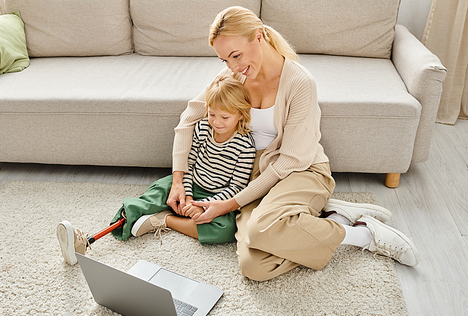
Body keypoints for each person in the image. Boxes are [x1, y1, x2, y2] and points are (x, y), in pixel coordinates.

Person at [166, 6, 419, 281]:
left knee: (260, 230)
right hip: (255, 177)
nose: (233, 67)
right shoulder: (232, 78)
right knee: (254, 267)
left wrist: (229, 204)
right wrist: (178, 179)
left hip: (301, 171)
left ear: (258, 36)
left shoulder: (299, 82)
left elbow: (289, 160)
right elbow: (188, 119)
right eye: (224, 60)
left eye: (236, 55)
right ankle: (332, 218)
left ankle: (364, 234)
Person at [57, 73, 256, 265]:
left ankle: (165, 220)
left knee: (227, 229)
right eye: (212, 114)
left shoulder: (246, 146)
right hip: (191, 183)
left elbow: (237, 188)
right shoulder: (203, 128)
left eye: (225, 117)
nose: (217, 122)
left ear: (241, 114)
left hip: (218, 197)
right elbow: (189, 163)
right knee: (155, 193)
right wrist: (186, 195)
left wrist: (202, 205)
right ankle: (87, 240)